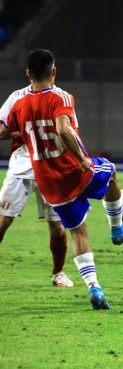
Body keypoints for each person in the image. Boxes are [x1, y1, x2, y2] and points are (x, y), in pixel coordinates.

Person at [0, 48, 123, 309]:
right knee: (110, 171)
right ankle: (117, 229)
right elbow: (63, 129)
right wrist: (80, 158)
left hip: (48, 181)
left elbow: (5, 129)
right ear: (54, 71)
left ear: (27, 74)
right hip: (70, 169)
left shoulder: (19, 104)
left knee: (77, 231)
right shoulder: (61, 96)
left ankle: (95, 288)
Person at [0, 85, 73, 288]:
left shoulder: (60, 98)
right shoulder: (17, 96)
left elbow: (68, 131)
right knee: (3, 221)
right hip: (21, 166)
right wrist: (23, 130)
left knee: (57, 227)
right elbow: (1, 131)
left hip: (51, 169)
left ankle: (58, 273)